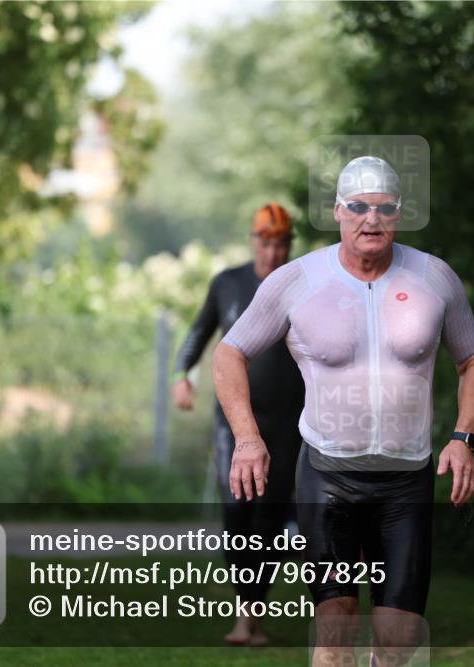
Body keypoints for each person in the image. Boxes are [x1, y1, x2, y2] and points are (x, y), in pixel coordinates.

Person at [212, 156, 474, 666]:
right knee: (335, 633)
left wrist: (463, 438)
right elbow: (229, 353)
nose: (371, 219)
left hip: (406, 480)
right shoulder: (297, 280)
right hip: (328, 475)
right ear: (338, 211)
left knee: (398, 642)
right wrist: (249, 440)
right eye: (359, 207)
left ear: (399, 214)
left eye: (383, 208)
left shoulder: (434, 277)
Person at [172, 202, 305, 646]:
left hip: (288, 422)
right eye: (265, 243)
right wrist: (182, 376)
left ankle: (251, 617)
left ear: (290, 246)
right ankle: (246, 609)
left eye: (281, 244)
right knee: (236, 511)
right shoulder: (228, 283)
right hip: (233, 423)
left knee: (269, 516)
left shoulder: (305, 286)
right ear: (254, 242)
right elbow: (198, 332)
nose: (272, 253)